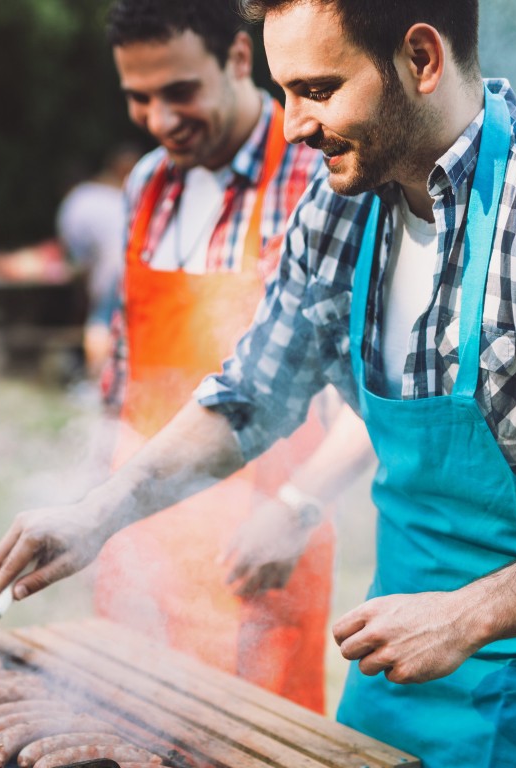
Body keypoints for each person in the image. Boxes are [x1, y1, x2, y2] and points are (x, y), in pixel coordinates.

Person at [0, 0, 516, 765]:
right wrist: (97, 513)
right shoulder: (341, 206)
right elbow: (252, 394)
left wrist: (464, 619)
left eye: (316, 89)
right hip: (393, 664)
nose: (291, 127)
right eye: (283, 92)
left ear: (421, 59)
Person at [70, 0, 366, 714]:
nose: (160, 119)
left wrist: (298, 507)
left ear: (239, 59)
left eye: (180, 91)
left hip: (257, 541)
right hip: (140, 533)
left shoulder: (315, 175)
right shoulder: (146, 185)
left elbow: (369, 392)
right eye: (139, 98)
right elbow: (124, 370)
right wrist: (89, 506)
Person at [56, 144, 143, 379]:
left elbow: (75, 250)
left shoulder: (82, 198)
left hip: (113, 269)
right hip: (139, 264)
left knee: (101, 323)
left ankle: (97, 381)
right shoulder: (127, 197)